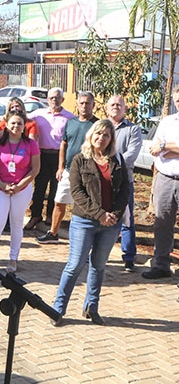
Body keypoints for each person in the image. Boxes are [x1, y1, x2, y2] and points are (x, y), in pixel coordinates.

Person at [51, 120, 129, 326]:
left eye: (106, 135)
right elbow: (77, 193)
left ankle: (91, 307)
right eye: (98, 134)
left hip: (111, 223)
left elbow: (124, 192)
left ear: (111, 139)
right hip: (84, 221)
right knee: (75, 265)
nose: (101, 138)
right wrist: (100, 214)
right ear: (91, 135)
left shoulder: (117, 160)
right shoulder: (79, 159)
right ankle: (58, 309)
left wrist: (114, 215)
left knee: (99, 265)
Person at [37, 92, 97, 244]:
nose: (84, 106)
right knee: (59, 202)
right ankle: (53, 233)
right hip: (69, 171)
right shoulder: (71, 122)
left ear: (93, 105)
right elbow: (64, 144)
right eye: (82, 103)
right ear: (77, 104)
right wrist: (60, 167)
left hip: (88, 173)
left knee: (84, 206)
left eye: (87, 103)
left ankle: (84, 240)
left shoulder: (97, 125)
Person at [0, 111, 40, 276]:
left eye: (20, 124)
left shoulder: (31, 144)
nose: (16, 126)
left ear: (24, 127)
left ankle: (13, 259)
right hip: (0, 188)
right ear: (7, 125)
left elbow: (35, 169)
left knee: (16, 225)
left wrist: (19, 186)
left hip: (21, 190)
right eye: (13, 123)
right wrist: (2, 185)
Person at [25, 87, 75, 230]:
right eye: (52, 97)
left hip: (59, 157)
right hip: (41, 155)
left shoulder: (70, 118)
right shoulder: (38, 114)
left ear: (62, 99)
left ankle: (50, 217)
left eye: (57, 97)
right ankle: (35, 215)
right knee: (39, 188)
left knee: (56, 188)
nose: (54, 100)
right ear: (47, 100)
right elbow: (21, 118)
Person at [143, 86, 179, 280]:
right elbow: (154, 147)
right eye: (177, 100)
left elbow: (161, 147)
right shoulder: (167, 121)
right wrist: (168, 148)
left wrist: (165, 147)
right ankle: (161, 265)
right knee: (162, 223)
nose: (178, 103)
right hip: (165, 179)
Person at [106, 95, 142, 272]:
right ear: (106, 108)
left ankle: (128, 258)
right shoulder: (100, 127)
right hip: (102, 182)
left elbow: (131, 155)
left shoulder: (133, 130)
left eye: (119, 105)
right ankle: (98, 254)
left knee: (127, 219)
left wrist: (109, 165)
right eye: (112, 104)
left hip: (123, 182)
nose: (116, 107)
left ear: (125, 109)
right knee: (100, 217)